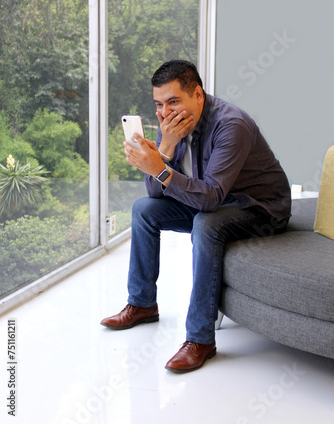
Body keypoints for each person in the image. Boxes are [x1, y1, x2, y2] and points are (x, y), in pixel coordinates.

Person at [101, 60, 291, 373]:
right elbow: (156, 194)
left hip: (261, 208)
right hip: (215, 200)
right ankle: (142, 304)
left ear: (198, 95)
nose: (165, 113)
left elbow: (211, 197)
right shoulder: (173, 128)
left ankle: (200, 339)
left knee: (206, 223)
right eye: (159, 104)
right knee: (143, 210)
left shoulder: (232, 125)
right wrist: (165, 147)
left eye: (174, 101)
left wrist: (159, 168)